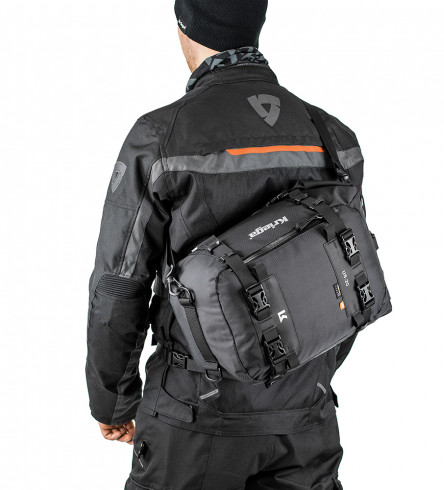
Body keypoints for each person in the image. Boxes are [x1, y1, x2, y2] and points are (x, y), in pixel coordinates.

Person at [86, 1, 364, 488]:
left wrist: (112, 401)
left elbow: (119, 285)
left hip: (193, 417)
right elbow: (350, 274)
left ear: (185, 26)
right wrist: (304, 374)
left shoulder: (160, 137)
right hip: (307, 418)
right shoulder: (334, 136)